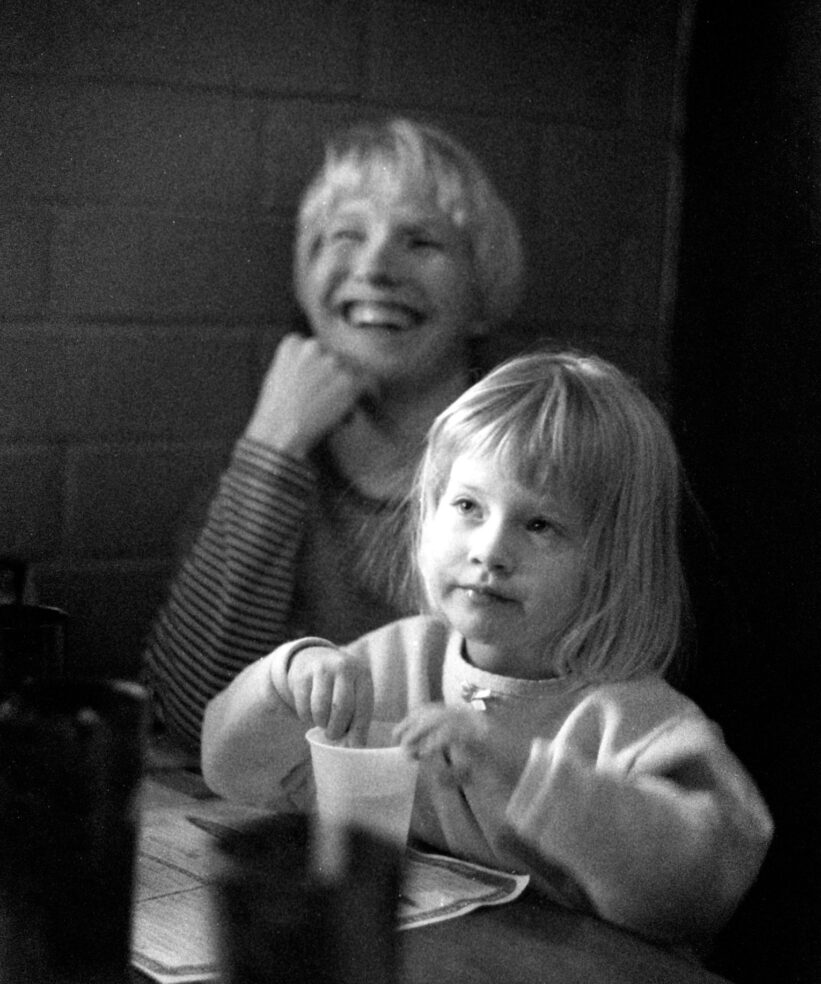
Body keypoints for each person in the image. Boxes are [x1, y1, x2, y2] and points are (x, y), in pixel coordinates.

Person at [201, 349, 773, 950]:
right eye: (469, 506)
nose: (490, 550)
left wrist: (523, 770)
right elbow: (232, 772)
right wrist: (287, 680)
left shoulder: (635, 721)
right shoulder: (396, 662)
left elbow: (698, 892)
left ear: (612, 564)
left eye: (540, 525)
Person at [143, 117, 524, 752]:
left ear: (481, 298)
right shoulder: (257, 484)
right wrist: (271, 447)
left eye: (421, 242)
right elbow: (189, 718)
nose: (375, 266)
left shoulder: (534, 485)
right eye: (344, 235)